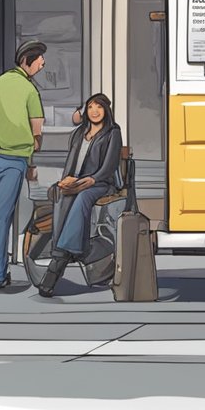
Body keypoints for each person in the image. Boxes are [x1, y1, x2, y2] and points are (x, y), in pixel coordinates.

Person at [0, 40, 47, 291]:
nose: (42, 64)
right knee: (1, 216)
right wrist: (32, 148)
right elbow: (37, 131)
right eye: (40, 60)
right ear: (28, 60)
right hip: (14, 159)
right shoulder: (29, 90)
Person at [40, 93, 123, 298]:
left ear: (106, 110)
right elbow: (71, 162)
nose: (94, 111)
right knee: (61, 195)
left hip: (100, 183)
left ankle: (58, 261)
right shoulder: (79, 133)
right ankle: (70, 250)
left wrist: (91, 180)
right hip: (77, 181)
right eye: (91, 107)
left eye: (99, 107)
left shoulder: (113, 132)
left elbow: (110, 165)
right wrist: (64, 180)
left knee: (83, 198)